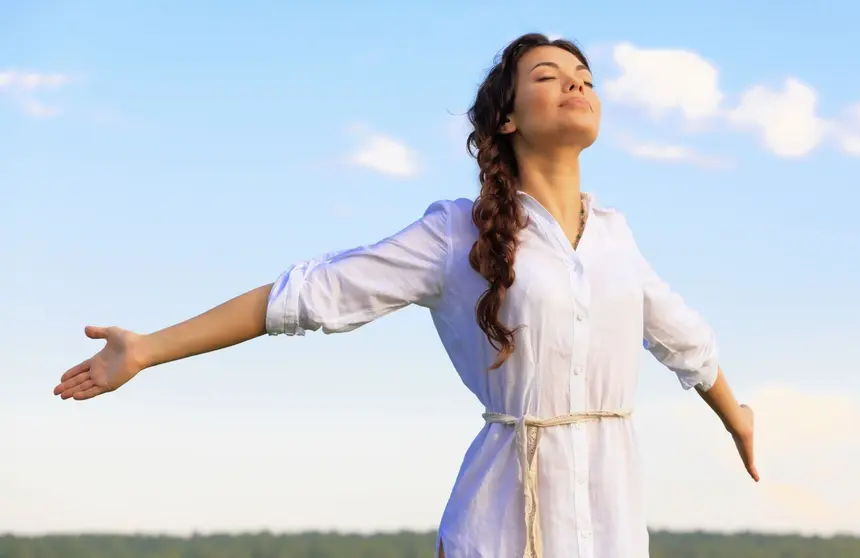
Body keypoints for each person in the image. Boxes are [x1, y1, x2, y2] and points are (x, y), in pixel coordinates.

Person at [53, 33, 758, 558]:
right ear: (506, 119)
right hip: (499, 533)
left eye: (584, 76)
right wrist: (147, 348)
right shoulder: (455, 234)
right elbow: (307, 296)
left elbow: (687, 344)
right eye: (548, 76)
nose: (576, 83)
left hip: (610, 530)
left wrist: (738, 420)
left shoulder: (615, 239)